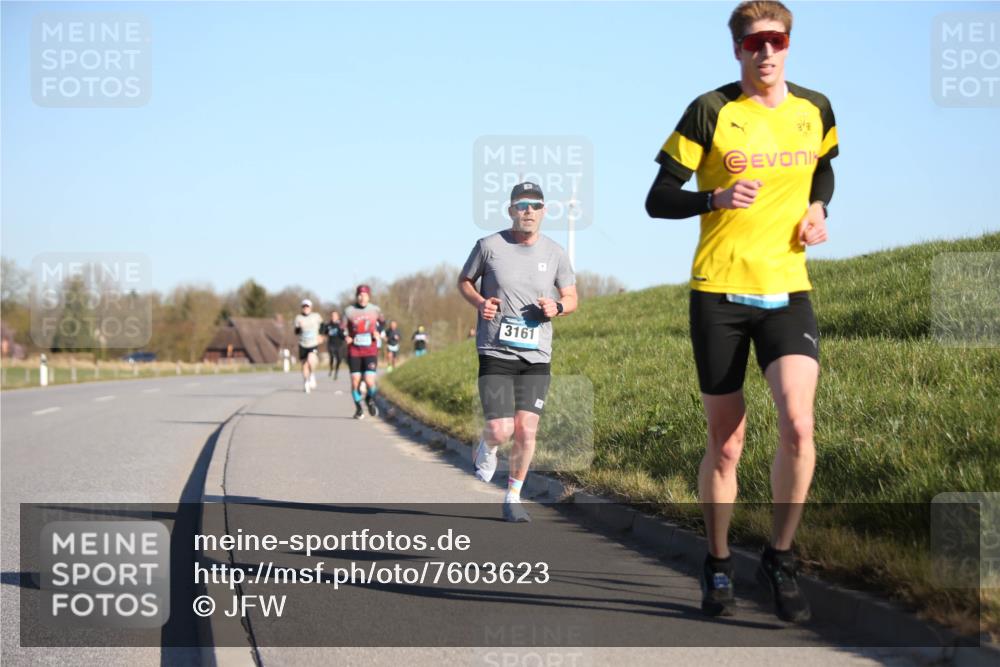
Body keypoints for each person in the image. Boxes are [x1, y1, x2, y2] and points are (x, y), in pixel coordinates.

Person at [645, 0, 837, 622]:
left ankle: (780, 556)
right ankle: (719, 562)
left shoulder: (815, 109)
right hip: (719, 293)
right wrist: (715, 197)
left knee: (799, 425)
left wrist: (818, 209)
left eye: (776, 40)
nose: (766, 51)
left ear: (789, 44)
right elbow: (657, 198)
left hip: (788, 290)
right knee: (727, 444)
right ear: (738, 50)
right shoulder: (711, 110)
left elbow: (823, 171)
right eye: (754, 43)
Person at [459, 182, 577, 522]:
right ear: (511, 210)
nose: (528, 211)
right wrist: (480, 302)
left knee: (526, 429)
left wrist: (557, 307)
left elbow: (571, 297)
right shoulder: (488, 246)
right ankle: (488, 444)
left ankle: (513, 496)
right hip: (496, 350)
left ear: (544, 211)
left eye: (535, 205)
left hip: (536, 355)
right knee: (501, 429)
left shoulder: (556, 253)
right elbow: (464, 281)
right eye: (522, 205)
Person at [344, 285, 385, 419]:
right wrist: (346, 336)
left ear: (369, 296)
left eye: (365, 295)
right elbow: (341, 327)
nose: (362, 298)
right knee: (355, 381)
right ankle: (359, 408)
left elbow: (382, 323)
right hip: (354, 351)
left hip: (370, 351)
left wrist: (378, 332)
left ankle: (369, 399)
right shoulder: (349, 311)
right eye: (360, 295)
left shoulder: (375, 310)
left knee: (369, 381)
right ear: (357, 296)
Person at [293, 299, 324, 394]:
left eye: (307, 306)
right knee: (304, 365)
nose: (305, 308)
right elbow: (296, 332)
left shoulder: (316, 316)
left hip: (313, 343)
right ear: (302, 308)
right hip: (303, 344)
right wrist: (299, 327)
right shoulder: (298, 318)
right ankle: (306, 381)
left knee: (311, 360)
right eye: (304, 306)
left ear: (311, 307)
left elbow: (323, 326)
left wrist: (321, 335)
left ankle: (312, 374)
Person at [324, 310, 347, 379]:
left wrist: (345, 337)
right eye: (332, 316)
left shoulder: (340, 325)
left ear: (337, 317)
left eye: (335, 316)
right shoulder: (328, 325)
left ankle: (336, 372)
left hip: (339, 344)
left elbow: (344, 334)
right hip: (331, 344)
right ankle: (331, 368)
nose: (333, 317)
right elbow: (324, 333)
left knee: (339, 359)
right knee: (331, 356)